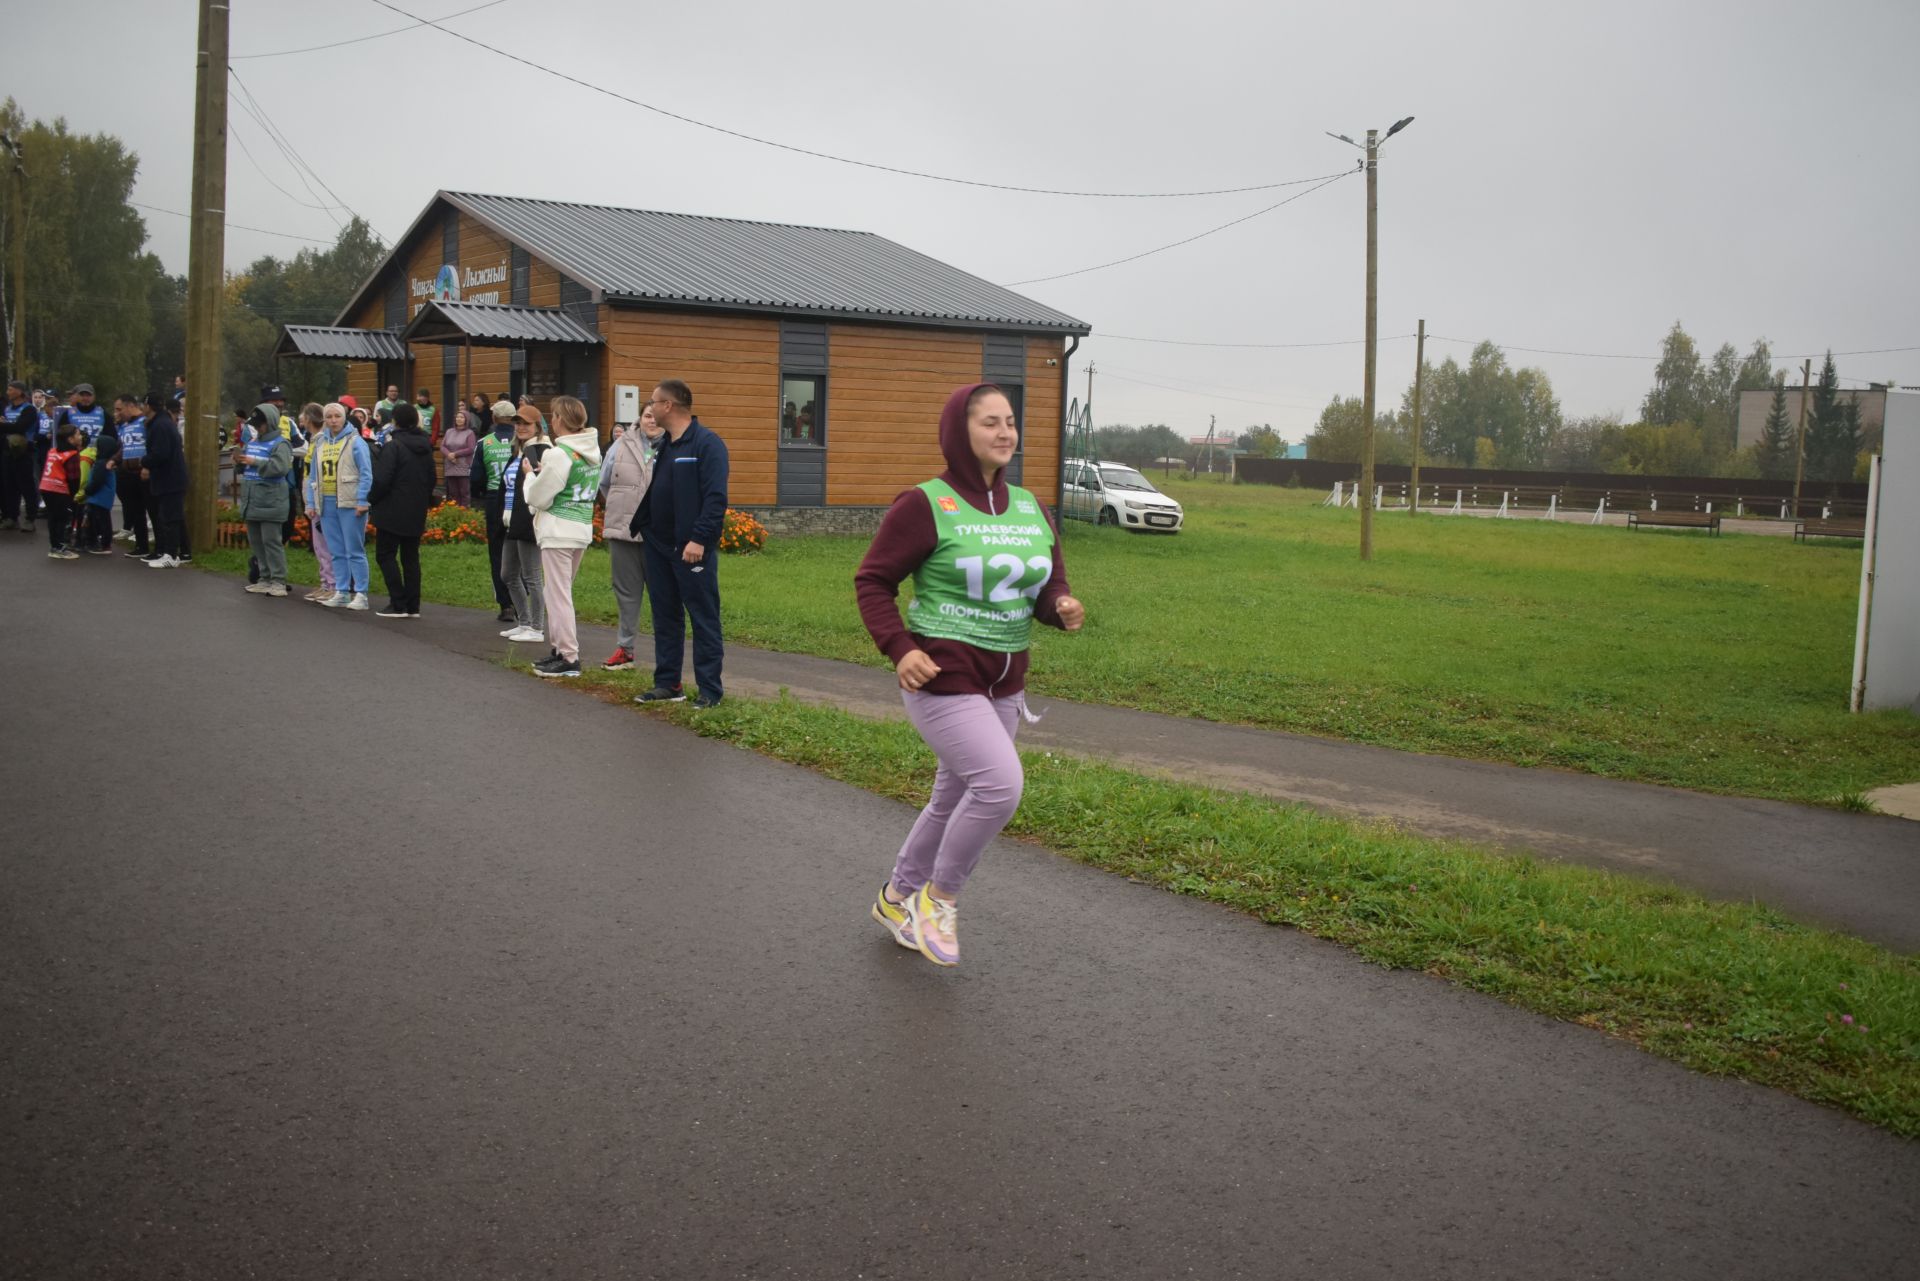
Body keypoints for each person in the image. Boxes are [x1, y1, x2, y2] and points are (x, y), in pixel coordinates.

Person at [853, 383, 1085, 967]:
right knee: (1000, 787)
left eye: (1010, 421)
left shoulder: (1032, 508)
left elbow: (1045, 583)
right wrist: (900, 647)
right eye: (990, 422)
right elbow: (873, 581)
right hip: (943, 676)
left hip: (1005, 679)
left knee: (952, 795)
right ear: (961, 430)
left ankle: (896, 896)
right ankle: (940, 898)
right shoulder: (925, 503)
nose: (1005, 432)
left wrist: (1059, 607)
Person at [628, 380, 728, 707]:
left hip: (690, 549)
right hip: (659, 546)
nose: (650, 408)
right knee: (665, 616)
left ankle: (710, 691)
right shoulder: (667, 445)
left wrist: (699, 538)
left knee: (702, 617)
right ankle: (668, 684)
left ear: (668, 406)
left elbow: (715, 500)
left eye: (654, 402)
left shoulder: (707, 444)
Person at [524, 395, 601, 678]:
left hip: (558, 529)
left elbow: (538, 498)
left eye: (554, 415)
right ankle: (558, 649)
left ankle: (568, 656)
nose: (552, 420)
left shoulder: (558, 453)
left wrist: (531, 477)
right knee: (558, 592)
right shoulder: (592, 451)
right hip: (579, 527)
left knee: (557, 595)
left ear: (560, 419)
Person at [599, 407, 659, 671]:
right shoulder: (620, 445)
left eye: (657, 417)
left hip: (659, 536)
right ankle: (625, 649)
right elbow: (604, 483)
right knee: (626, 593)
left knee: (663, 596)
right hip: (623, 532)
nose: (652, 421)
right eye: (648, 416)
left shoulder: (674, 445)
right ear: (640, 419)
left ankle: (666, 656)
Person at [368, 401, 437, 619]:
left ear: (395, 421)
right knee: (410, 557)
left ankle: (398, 602)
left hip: (391, 509)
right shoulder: (425, 447)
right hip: (416, 508)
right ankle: (413, 605)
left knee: (385, 554)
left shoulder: (394, 446)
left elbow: (382, 479)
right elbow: (432, 479)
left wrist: (372, 499)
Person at [313, 400, 373, 610]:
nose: (333, 420)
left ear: (344, 417)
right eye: (328, 417)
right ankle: (342, 591)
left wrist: (362, 500)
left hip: (349, 502)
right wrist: (312, 502)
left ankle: (362, 594)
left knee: (354, 550)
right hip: (327, 503)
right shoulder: (320, 443)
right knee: (335, 550)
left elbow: (366, 473)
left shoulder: (356, 441)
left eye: (337, 416)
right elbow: (314, 475)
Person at [497, 404, 548, 644]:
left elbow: (541, 486)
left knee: (532, 576)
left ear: (537, 426)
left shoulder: (540, 449)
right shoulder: (518, 450)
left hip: (529, 521)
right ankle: (525, 622)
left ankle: (537, 627)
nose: (520, 428)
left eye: (526, 424)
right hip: (512, 522)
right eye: (517, 423)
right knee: (508, 574)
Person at [235, 401, 294, 598]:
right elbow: (245, 467)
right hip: (252, 500)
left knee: (271, 542)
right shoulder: (252, 442)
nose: (257, 427)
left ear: (269, 422)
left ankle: (278, 581)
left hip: (270, 501)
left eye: (260, 424)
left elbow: (280, 467)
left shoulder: (281, 443)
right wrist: (241, 462)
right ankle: (264, 578)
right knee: (257, 541)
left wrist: (255, 461)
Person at [473, 399, 518, 623]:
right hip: (519, 500)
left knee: (497, 552)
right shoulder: (522, 441)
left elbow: (476, 479)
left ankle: (506, 604)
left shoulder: (485, 443)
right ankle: (521, 601)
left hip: (494, 499)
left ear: (494, 418)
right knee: (521, 551)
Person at [140, 392, 188, 567]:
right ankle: (178, 552)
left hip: (170, 478)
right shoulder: (162, 422)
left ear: (148, 406)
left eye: (143, 404)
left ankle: (171, 554)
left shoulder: (160, 425)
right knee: (169, 516)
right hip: (169, 478)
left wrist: (144, 461)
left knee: (170, 518)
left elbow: (161, 453)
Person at [302, 404, 339, 602]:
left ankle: (332, 584)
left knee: (325, 543)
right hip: (312, 498)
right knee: (318, 543)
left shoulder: (323, 440)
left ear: (308, 418)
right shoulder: (314, 439)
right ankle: (325, 581)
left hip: (319, 498)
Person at [1, 379, 42, 532]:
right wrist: (7, 427)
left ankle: (30, 518)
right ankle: (12, 517)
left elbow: (20, 426)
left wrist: (3, 425)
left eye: (10, 389)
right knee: (9, 486)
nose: (7, 392)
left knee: (27, 486)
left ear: (19, 392)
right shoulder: (8, 408)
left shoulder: (29, 409)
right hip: (8, 451)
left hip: (24, 452)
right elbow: (10, 428)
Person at [74, 418, 120, 555]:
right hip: (101, 498)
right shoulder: (104, 461)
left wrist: (88, 490)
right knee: (99, 520)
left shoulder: (102, 463)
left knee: (101, 521)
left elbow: (97, 480)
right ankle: (97, 542)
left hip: (100, 497)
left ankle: (104, 545)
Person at [38, 421, 82, 559]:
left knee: (53, 517)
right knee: (63, 519)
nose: (81, 436)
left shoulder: (52, 451)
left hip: (46, 487)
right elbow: (73, 478)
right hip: (59, 489)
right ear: (70, 439)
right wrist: (73, 495)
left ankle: (54, 545)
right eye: (78, 434)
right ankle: (59, 547)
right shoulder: (71, 454)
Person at [112, 394, 150, 554]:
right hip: (127, 472)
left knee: (151, 510)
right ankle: (141, 546)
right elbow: (123, 446)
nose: (117, 413)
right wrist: (114, 460)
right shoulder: (124, 425)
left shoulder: (145, 422)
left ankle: (162, 548)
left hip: (143, 472)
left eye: (119, 409)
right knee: (136, 511)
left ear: (130, 406)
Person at [440, 406, 477, 506]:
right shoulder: (449, 431)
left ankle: (465, 513)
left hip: (463, 466)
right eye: (457, 417)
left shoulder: (470, 433)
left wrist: (455, 454)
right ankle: (455, 513)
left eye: (462, 417)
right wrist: (449, 455)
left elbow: (471, 448)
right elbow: (442, 446)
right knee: (453, 493)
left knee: (464, 492)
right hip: (450, 465)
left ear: (466, 419)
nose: (459, 419)